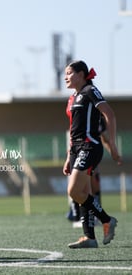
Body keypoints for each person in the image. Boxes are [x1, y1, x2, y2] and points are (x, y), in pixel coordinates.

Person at [63, 60, 122, 249]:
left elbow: (110, 115)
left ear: (81, 74)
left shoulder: (90, 90)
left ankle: (106, 220)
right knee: (82, 193)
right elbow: (73, 129)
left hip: (90, 146)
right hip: (75, 149)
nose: (66, 76)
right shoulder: (72, 98)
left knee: (73, 191)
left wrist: (112, 144)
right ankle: (90, 238)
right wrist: (67, 157)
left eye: (69, 73)